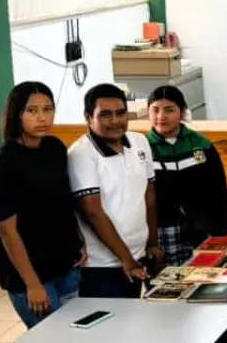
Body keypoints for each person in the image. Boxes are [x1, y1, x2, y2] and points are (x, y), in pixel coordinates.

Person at [0, 82, 85, 328]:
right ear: (17, 114)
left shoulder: (55, 148)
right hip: (32, 276)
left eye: (48, 109)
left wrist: (78, 241)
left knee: (78, 340)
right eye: (32, 111)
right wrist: (33, 284)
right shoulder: (4, 163)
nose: (42, 117)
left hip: (65, 266)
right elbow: (7, 231)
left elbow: (63, 203)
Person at [68, 83, 159, 299]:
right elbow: (93, 212)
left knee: (136, 324)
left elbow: (149, 195)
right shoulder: (80, 154)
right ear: (89, 117)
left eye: (120, 113)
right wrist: (126, 258)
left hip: (139, 255)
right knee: (109, 328)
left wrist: (152, 243)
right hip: (103, 265)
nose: (115, 121)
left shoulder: (139, 142)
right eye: (106, 115)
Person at [146, 86, 227, 266]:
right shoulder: (142, 148)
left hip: (202, 229)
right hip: (162, 231)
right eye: (155, 110)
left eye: (169, 110)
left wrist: (220, 229)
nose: (161, 116)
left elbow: (218, 189)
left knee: (205, 279)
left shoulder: (201, 143)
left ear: (182, 112)